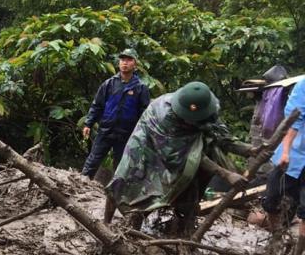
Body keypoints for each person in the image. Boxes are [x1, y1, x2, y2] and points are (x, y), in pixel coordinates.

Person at [107, 81, 257, 235]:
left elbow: (221, 136)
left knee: (190, 182)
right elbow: (186, 156)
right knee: (128, 181)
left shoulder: (209, 108)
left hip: (184, 148)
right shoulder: (166, 116)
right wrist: (225, 174)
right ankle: (110, 225)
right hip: (148, 144)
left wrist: (251, 150)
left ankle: (185, 226)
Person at [81, 49, 150, 222]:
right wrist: (88, 123)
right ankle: (80, 187)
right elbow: (97, 105)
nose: (124, 63)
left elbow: (145, 113)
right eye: (122, 60)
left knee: (121, 166)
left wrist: (142, 134)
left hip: (127, 134)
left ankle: (117, 198)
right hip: (106, 129)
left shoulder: (140, 87)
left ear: (135, 63)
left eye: (128, 60)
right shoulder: (109, 84)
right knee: (93, 159)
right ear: (119, 63)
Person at [259, 77, 305, 255]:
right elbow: (294, 120)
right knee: (272, 198)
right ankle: (276, 238)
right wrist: (285, 151)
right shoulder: (303, 85)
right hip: (293, 153)